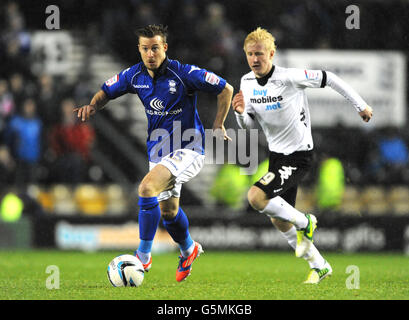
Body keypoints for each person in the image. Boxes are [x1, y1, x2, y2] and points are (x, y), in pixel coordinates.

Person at [74, 24, 233, 282]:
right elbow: (106, 91)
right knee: (169, 212)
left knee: (147, 188)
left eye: (155, 48)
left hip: (189, 149)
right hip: (158, 152)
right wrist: (93, 106)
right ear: (139, 49)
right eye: (145, 48)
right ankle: (189, 249)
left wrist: (218, 123)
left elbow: (225, 89)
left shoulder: (183, 73)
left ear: (165, 48)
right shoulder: (134, 75)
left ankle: (143, 257)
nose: (150, 54)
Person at [232, 27, 373, 284]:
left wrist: (360, 105)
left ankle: (305, 220)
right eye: (250, 54)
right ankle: (320, 266)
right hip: (277, 156)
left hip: (299, 155)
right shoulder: (246, 82)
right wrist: (241, 114)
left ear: (271, 54)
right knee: (277, 218)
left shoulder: (289, 78)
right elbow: (248, 126)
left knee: (255, 197)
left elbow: (329, 78)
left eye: (260, 54)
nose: (255, 59)